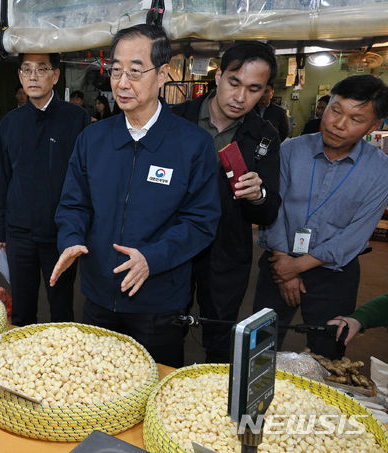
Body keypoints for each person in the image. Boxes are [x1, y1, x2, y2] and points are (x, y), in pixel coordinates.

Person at [50, 24, 221, 368]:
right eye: (116, 70)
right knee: (95, 386)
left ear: (162, 75)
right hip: (98, 295)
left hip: (158, 301)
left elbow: (201, 221)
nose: (122, 82)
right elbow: (74, 203)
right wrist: (70, 238)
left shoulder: (192, 144)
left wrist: (152, 258)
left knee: (153, 391)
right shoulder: (93, 138)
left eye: (135, 71)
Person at [253, 74, 388, 359]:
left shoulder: (380, 171)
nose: (339, 124)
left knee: (327, 352)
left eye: (356, 119)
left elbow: (354, 235)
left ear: (375, 126)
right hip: (279, 263)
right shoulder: (290, 150)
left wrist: (296, 267)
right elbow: (272, 210)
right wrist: (284, 265)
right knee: (258, 347)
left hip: (333, 275)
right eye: (335, 110)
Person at [171, 41, 281, 363]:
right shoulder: (176, 119)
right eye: (234, 82)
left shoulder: (265, 136)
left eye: (253, 89)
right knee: (164, 328)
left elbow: (270, 209)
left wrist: (257, 195)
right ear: (218, 76)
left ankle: (213, 406)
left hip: (226, 249)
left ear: (264, 92)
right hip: (173, 243)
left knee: (220, 337)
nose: (240, 97)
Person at [0, 52, 91, 326]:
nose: (33, 76)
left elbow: (85, 180)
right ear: (20, 76)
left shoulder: (76, 119)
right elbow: (2, 177)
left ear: (56, 75)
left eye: (41, 69)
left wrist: (80, 231)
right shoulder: (10, 123)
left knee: (61, 309)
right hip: (19, 233)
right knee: (22, 310)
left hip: (60, 233)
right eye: (26, 70)